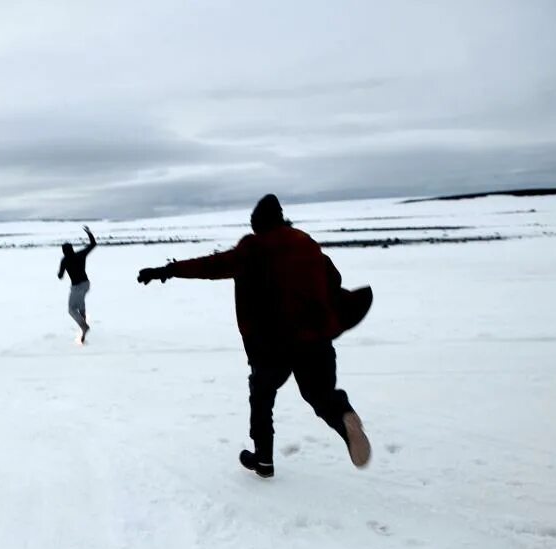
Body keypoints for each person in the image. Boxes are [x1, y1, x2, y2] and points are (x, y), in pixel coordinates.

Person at [137, 194, 371, 478]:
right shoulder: (306, 244)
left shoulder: (252, 249)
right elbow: (333, 278)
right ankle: (344, 417)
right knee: (320, 395)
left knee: (262, 396)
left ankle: (263, 460)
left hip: (272, 343)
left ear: (258, 223)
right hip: (315, 339)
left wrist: (167, 270)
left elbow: (210, 266)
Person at [58, 225, 97, 343]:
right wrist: (89, 233)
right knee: (80, 303)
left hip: (77, 287)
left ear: (64, 251)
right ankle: (83, 321)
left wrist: (60, 273)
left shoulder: (64, 260)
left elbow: (60, 276)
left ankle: (84, 326)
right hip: (86, 284)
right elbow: (93, 244)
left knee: (71, 309)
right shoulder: (80, 254)